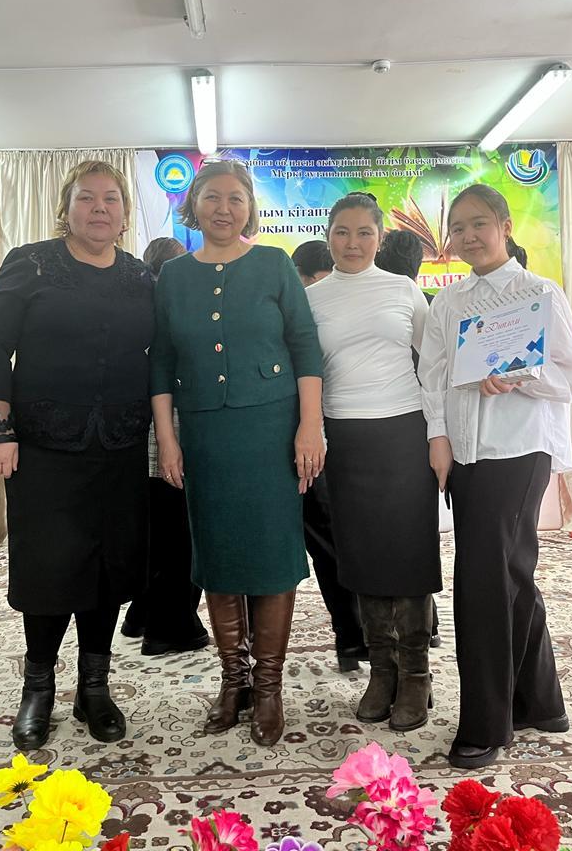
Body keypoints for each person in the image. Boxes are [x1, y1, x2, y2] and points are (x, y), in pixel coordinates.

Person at [0, 159, 154, 751]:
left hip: (121, 445)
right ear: (66, 208)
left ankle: (94, 687)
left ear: (125, 214)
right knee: (49, 567)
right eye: (87, 197)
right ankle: (39, 688)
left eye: (111, 198)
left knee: (109, 568)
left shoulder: (140, 276)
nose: (99, 207)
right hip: (44, 445)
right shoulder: (30, 263)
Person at [150, 159, 324, 747]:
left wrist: (310, 426)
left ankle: (269, 687)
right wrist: (167, 437)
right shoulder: (173, 276)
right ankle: (235, 680)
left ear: (249, 208)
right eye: (212, 197)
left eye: (235, 198)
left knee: (273, 554)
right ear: (193, 204)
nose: (223, 209)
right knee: (218, 554)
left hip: (272, 431)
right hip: (205, 434)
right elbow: (161, 362)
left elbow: (305, 347)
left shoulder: (274, 264)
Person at [419, 183, 572, 769]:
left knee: (482, 582)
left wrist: (517, 375)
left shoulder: (539, 293)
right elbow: (433, 378)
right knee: (511, 571)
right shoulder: (448, 302)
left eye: (479, 224)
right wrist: (439, 441)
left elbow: (570, 376)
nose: (468, 236)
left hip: (518, 450)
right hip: (465, 453)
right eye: (458, 228)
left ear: (506, 227)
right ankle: (540, 702)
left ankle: (487, 725)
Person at [307, 193, 441, 732]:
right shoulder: (312, 299)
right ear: (329, 235)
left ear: (380, 239)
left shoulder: (403, 289)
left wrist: (440, 433)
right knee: (360, 556)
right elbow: (308, 375)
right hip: (345, 437)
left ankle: (416, 674)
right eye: (343, 231)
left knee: (408, 551)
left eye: (365, 232)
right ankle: (381, 671)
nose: (353, 242)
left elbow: (435, 365)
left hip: (404, 430)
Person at [121, 236, 209, 656]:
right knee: (181, 537)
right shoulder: (173, 309)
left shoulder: (139, 307)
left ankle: (141, 615)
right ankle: (170, 628)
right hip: (171, 435)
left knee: (157, 534)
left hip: (142, 439)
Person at [291, 240, 367, 672]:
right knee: (327, 539)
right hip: (309, 436)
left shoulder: (368, 299)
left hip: (344, 435)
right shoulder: (295, 307)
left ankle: (358, 637)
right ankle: (352, 637)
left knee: (339, 539)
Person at [374, 228, 442, 649]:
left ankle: (403, 632)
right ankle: (425, 626)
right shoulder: (431, 303)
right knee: (417, 529)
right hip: (422, 427)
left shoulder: (394, 304)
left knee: (383, 530)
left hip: (394, 426)